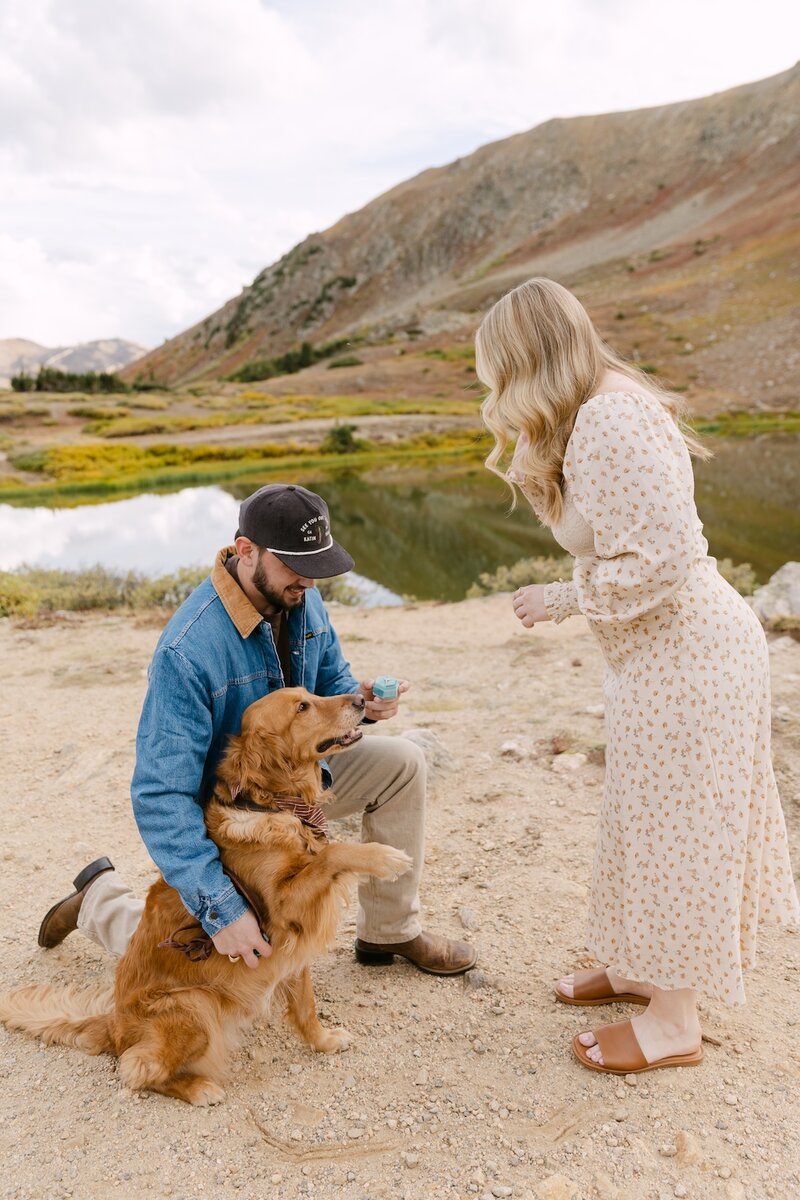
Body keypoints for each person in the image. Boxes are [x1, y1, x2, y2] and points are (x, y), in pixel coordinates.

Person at [477, 277, 799, 1074]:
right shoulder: (582, 413)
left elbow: (663, 562)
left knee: (679, 835)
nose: (488, 387)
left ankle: (675, 1021)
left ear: (526, 359)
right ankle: (636, 967)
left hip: (693, 660)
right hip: (656, 663)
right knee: (640, 823)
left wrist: (559, 597)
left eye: (495, 369)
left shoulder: (612, 416)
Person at [39, 483, 476, 977]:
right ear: (247, 551)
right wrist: (221, 907)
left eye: (317, 567)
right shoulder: (185, 652)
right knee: (221, 945)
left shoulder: (301, 596)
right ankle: (101, 902)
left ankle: (389, 933)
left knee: (403, 763)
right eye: (297, 566)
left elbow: (330, 684)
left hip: (295, 782)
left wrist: (364, 702)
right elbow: (161, 793)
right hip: (233, 815)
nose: (310, 583)